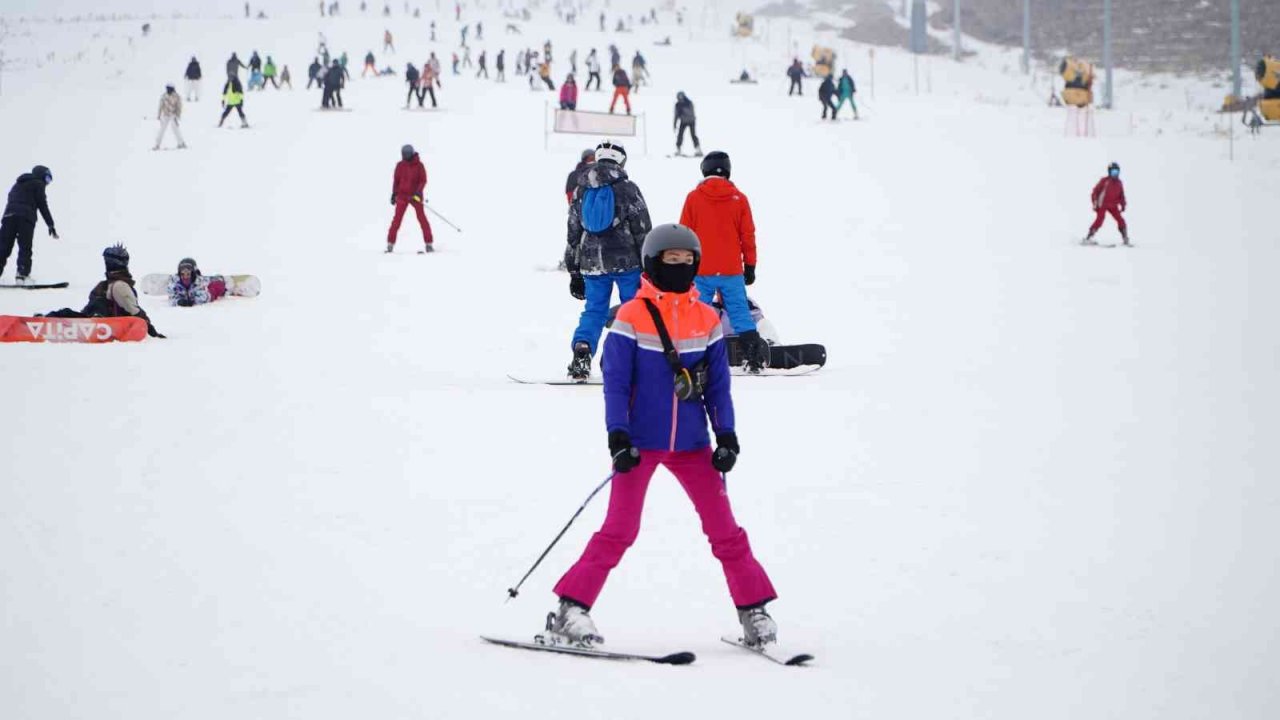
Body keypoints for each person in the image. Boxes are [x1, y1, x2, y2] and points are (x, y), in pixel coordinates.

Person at [547, 223, 779, 649]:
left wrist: (726, 435)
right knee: (619, 529)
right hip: (640, 443)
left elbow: (718, 387)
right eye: (671, 261)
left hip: (693, 446)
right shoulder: (630, 317)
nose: (680, 267)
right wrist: (618, 435)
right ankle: (570, 608)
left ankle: (754, 611)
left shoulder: (707, 317)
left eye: (687, 261)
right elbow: (615, 384)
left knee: (725, 530)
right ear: (653, 264)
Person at [564, 141, 652, 379]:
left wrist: (574, 270)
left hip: (592, 263)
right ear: (620, 161)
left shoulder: (581, 190)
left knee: (594, 310)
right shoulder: (628, 188)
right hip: (627, 262)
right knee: (633, 310)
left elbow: (573, 231)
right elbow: (642, 228)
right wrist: (650, 264)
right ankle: (626, 359)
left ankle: (582, 350)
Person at [677, 151, 764, 372]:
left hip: (701, 269)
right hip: (731, 269)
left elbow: (684, 234)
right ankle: (753, 358)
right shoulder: (739, 198)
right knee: (739, 313)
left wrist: (682, 266)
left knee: (698, 313)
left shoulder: (694, 198)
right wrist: (750, 265)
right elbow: (748, 234)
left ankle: (695, 359)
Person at [40, 245, 165, 338]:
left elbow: (135, 311)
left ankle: (42, 325)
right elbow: (86, 311)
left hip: (110, 325)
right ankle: (41, 323)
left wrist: (151, 330)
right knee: (65, 313)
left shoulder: (119, 285)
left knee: (98, 304)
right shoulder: (104, 285)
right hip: (93, 322)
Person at [0, 165, 57, 284]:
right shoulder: (38, 183)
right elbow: (42, 204)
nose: (47, 183)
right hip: (26, 217)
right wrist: (50, 224)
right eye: (47, 179)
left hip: (8, 216)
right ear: (40, 175)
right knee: (25, 246)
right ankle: (22, 275)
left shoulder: (17, 184)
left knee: (3, 246)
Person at [386, 144, 433, 252]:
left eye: (407, 154)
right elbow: (396, 181)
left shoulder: (419, 165)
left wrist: (418, 192)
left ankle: (429, 243)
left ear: (411, 153)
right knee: (396, 220)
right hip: (402, 195)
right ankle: (390, 244)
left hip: (415, 196)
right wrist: (394, 194)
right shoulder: (400, 165)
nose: (405, 156)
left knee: (422, 218)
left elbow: (423, 180)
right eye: (404, 154)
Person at [1085, 162, 1129, 246]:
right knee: (1100, 220)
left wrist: (1123, 204)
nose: (1115, 174)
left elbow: (1121, 195)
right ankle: (1089, 237)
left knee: (1121, 220)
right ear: (1109, 172)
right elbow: (1095, 192)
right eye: (1113, 172)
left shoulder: (1119, 183)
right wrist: (1095, 202)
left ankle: (1125, 237)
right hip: (1103, 204)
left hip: (1113, 205)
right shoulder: (1104, 181)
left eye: (1116, 172)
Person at [153, 85, 187, 150]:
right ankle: (157, 144)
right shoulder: (163, 96)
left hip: (173, 115)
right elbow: (160, 106)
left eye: (169, 89)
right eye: (167, 89)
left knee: (176, 129)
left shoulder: (177, 96)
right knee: (162, 130)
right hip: (165, 115)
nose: (168, 90)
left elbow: (179, 107)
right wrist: (159, 115)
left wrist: (178, 115)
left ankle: (181, 143)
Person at [673, 91, 700, 156]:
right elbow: (676, 115)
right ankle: (678, 149)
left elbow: (691, 112)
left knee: (693, 135)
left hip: (691, 121)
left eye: (681, 96)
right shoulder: (677, 105)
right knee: (680, 135)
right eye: (679, 97)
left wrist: (683, 111)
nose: (680, 98)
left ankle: (698, 149)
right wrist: (674, 124)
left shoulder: (689, 103)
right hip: (683, 121)